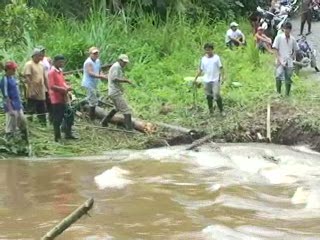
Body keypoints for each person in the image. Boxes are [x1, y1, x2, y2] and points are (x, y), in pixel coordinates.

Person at [48, 55, 78, 142]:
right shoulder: (51, 72)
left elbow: (62, 82)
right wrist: (64, 89)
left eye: (63, 62)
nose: (62, 64)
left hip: (63, 97)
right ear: (55, 62)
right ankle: (57, 137)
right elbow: (52, 86)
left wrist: (68, 88)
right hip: (56, 99)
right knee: (58, 118)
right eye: (60, 62)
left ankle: (68, 133)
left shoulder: (60, 71)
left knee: (70, 115)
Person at [101, 54, 133, 130]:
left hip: (113, 91)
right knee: (126, 110)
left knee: (117, 108)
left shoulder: (117, 66)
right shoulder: (116, 67)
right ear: (119, 60)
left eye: (125, 63)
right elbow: (114, 78)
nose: (124, 64)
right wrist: (126, 80)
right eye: (123, 62)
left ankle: (104, 121)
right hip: (115, 92)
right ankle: (129, 129)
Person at [0, 61, 28, 142]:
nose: (15, 70)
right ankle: (9, 143)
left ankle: (25, 141)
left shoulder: (13, 78)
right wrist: (10, 109)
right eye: (13, 69)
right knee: (11, 126)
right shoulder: (4, 80)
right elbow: (5, 96)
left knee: (22, 123)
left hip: (18, 105)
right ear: (8, 69)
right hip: (11, 106)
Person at [194, 43, 225, 116]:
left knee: (216, 95)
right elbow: (200, 70)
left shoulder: (216, 58)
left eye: (209, 50)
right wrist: (195, 78)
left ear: (212, 50)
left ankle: (221, 110)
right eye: (206, 50)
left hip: (215, 79)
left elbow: (221, 68)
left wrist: (223, 77)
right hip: (206, 80)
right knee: (208, 96)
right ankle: (211, 111)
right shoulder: (203, 59)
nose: (208, 52)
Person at [272, 22, 299, 96]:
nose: (287, 31)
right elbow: (275, 49)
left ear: (290, 30)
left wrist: (293, 58)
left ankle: (287, 94)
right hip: (280, 59)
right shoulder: (279, 37)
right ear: (283, 29)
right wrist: (279, 60)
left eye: (288, 29)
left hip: (289, 61)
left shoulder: (293, 39)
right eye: (285, 29)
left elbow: (295, 49)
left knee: (288, 77)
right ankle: (278, 92)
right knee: (278, 76)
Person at [81, 46, 108, 121]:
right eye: (94, 53)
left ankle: (91, 112)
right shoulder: (88, 62)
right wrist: (101, 76)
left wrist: (102, 74)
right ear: (90, 54)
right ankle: (91, 118)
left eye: (97, 53)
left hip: (95, 82)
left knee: (94, 97)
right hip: (88, 83)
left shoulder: (98, 61)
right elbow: (90, 73)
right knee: (93, 101)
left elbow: (99, 70)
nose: (96, 55)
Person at [23, 48, 48, 126]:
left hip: (41, 90)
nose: (40, 57)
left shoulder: (41, 65)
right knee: (31, 109)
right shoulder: (29, 64)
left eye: (41, 56)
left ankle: (43, 124)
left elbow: (44, 77)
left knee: (42, 108)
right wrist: (32, 89)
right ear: (34, 56)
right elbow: (27, 78)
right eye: (39, 56)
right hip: (32, 90)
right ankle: (29, 125)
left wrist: (48, 88)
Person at [38, 45, 53, 124]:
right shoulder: (38, 62)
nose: (43, 53)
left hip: (48, 83)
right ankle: (42, 120)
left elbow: (50, 69)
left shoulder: (46, 59)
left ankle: (51, 119)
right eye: (41, 52)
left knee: (49, 101)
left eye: (43, 51)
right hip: (41, 85)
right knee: (41, 103)